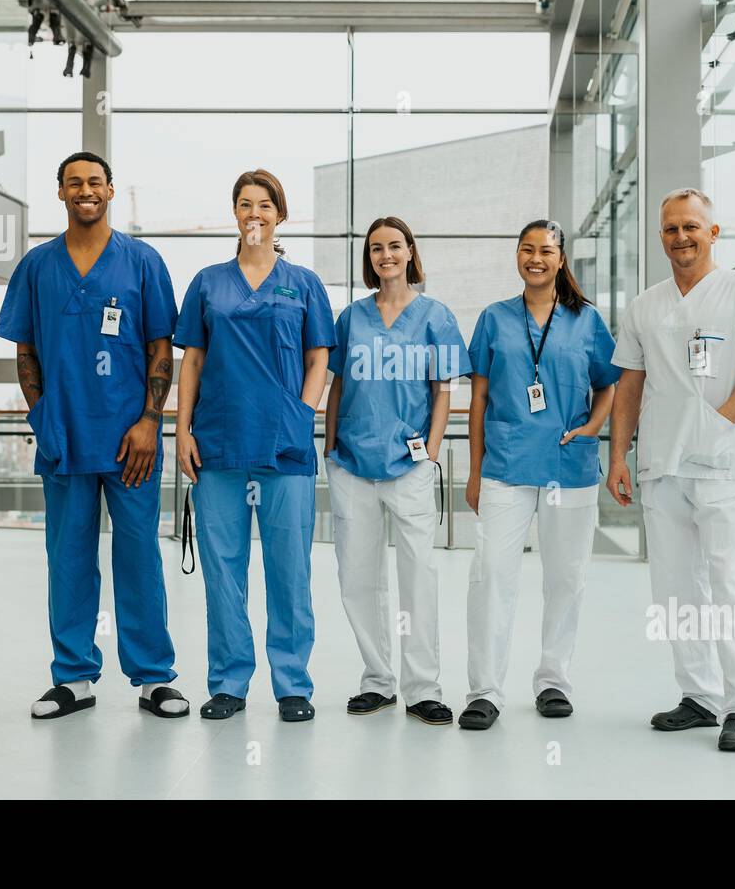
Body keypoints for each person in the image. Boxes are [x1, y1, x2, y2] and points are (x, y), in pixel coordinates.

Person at [0, 150, 187, 720]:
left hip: (132, 442)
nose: (86, 190)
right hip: (65, 440)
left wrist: (151, 421)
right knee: (69, 558)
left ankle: (154, 678)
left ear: (109, 190)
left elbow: (160, 349)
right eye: (74, 182)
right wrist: (42, 417)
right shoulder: (37, 267)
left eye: (95, 182)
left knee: (139, 558)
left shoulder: (143, 262)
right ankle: (73, 677)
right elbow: (25, 351)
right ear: (60, 193)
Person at [606, 187, 735, 753]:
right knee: (677, 588)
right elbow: (629, 383)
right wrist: (618, 455)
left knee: (733, 584)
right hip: (662, 464)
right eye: (670, 229)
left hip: (723, 465)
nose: (680, 237)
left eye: (690, 227)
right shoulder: (645, 305)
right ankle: (699, 695)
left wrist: (717, 423)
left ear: (713, 232)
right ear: (660, 237)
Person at [173, 169, 336, 723]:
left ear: (279, 214)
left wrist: (301, 413)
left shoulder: (304, 283)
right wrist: (182, 429)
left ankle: (293, 684)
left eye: (264, 205)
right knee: (223, 570)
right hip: (217, 443)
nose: (255, 214)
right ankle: (228, 682)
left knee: (289, 570)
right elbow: (191, 359)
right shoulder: (208, 283)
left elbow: (320, 358)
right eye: (245, 204)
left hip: (285, 446)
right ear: (235, 213)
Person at [460, 220, 620, 730]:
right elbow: (479, 399)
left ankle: (553, 680)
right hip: (505, 467)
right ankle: (485, 690)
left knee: (566, 579)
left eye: (545, 251)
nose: (535, 258)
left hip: (568, 468)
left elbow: (607, 385)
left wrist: (593, 428)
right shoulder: (494, 318)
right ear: (518, 256)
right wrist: (474, 472)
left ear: (561, 258)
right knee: (491, 577)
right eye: (527, 249)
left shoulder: (587, 320)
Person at [324, 217, 471, 726]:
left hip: (408, 466)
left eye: (393, 246)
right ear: (369, 258)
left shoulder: (436, 315)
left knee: (418, 577)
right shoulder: (351, 318)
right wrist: (329, 447)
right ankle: (377, 680)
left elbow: (444, 389)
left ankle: (423, 686)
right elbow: (337, 384)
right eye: (376, 248)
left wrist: (431, 453)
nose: (385, 254)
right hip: (351, 464)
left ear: (410, 251)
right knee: (358, 579)